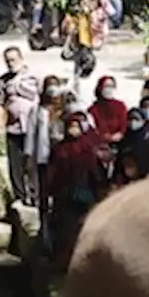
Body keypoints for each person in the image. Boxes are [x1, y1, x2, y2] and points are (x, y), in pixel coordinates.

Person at [45, 112, 107, 266]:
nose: (73, 129)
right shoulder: (60, 149)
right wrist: (47, 192)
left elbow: (94, 172)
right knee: (64, 230)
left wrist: (97, 192)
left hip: (83, 195)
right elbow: (52, 172)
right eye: (71, 126)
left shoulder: (87, 148)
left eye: (76, 126)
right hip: (63, 196)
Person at [0, 46, 40, 206]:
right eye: (7, 61)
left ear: (21, 58)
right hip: (13, 128)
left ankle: (35, 196)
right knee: (15, 165)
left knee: (32, 163)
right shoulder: (3, 81)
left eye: (13, 60)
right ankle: (20, 196)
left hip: (32, 128)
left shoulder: (33, 77)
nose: (10, 63)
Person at [25, 78, 65, 215]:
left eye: (55, 85)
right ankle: (44, 216)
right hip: (44, 155)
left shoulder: (65, 109)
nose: (52, 89)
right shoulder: (37, 110)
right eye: (50, 86)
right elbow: (30, 133)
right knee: (44, 188)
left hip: (62, 155)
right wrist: (28, 154)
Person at [88, 75, 128, 144]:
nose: (109, 89)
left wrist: (120, 134)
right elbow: (93, 129)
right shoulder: (93, 110)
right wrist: (105, 137)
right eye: (106, 86)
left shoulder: (120, 106)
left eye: (112, 86)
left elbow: (124, 124)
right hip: (99, 144)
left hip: (120, 143)